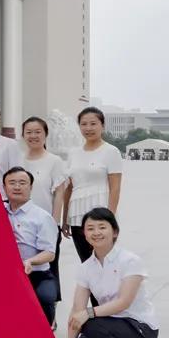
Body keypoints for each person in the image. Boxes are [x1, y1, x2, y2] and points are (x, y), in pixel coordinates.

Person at [66, 207, 159, 338]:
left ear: (114, 232)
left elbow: (124, 302)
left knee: (91, 323)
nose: (96, 232)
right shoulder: (86, 268)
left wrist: (89, 313)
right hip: (109, 326)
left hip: (140, 330)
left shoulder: (130, 261)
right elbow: (77, 308)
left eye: (102, 227)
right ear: (84, 234)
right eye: (90, 228)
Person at [63, 107, 123, 262]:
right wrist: (65, 219)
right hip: (77, 215)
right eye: (84, 124)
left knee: (105, 261)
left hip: (101, 214)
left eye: (93, 123)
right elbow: (69, 188)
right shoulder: (73, 153)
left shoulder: (111, 151)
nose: (88, 128)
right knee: (86, 261)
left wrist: (110, 220)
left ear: (102, 126)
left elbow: (115, 188)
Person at [19, 116, 68, 301]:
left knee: (49, 268)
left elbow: (59, 194)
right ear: (23, 135)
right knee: (24, 267)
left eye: (38, 132)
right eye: (29, 132)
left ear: (46, 134)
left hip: (45, 225)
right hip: (21, 225)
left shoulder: (54, 161)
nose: (33, 136)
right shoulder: (18, 160)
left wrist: (54, 224)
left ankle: (50, 306)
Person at [2, 167, 58, 327]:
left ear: (31, 187)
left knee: (45, 297)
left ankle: (46, 329)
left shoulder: (42, 217)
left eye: (22, 183)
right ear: (4, 187)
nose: (17, 187)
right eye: (12, 183)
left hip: (36, 274)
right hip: (6, 273)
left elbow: (49, 253)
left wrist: (30, 261)